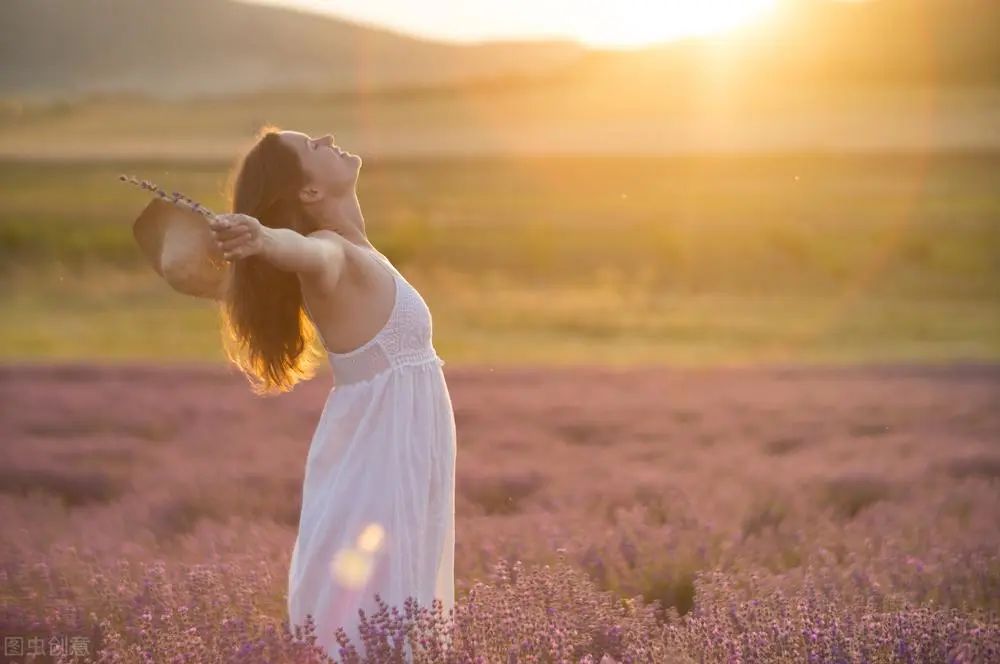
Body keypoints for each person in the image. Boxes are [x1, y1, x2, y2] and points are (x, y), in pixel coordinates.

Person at [208, 125, 456, 660]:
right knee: (373, 610)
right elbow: (302, 252)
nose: (325, 136)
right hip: (377, 460)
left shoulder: (361, 251)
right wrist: (264, 239)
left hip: (399, 455)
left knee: (395, 604)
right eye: (311, 146)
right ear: (310, 193)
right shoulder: (329, 254)